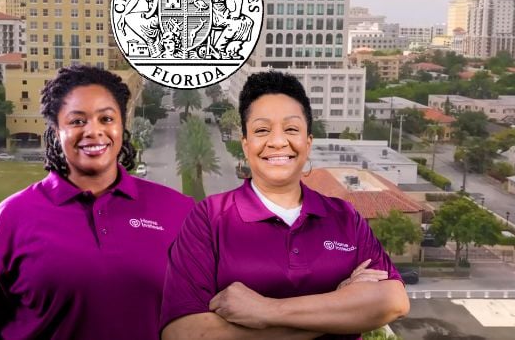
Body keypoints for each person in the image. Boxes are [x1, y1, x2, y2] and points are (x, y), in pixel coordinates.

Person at [160, 70, 409, 340]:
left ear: (308, 142)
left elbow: (394, 301)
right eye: (262, 130)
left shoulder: (344, 217)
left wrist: (266, 311)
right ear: (245, 144)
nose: (278, 142)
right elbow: (182, 332)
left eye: (291, 129)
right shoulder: (209, 218)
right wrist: (339, 305)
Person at [0, 65, 194, 339]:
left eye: (106, 119)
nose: (93, 132)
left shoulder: (179, 211)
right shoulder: (7, 220)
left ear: (122, 125)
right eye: (77, 121)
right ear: (56, 131)